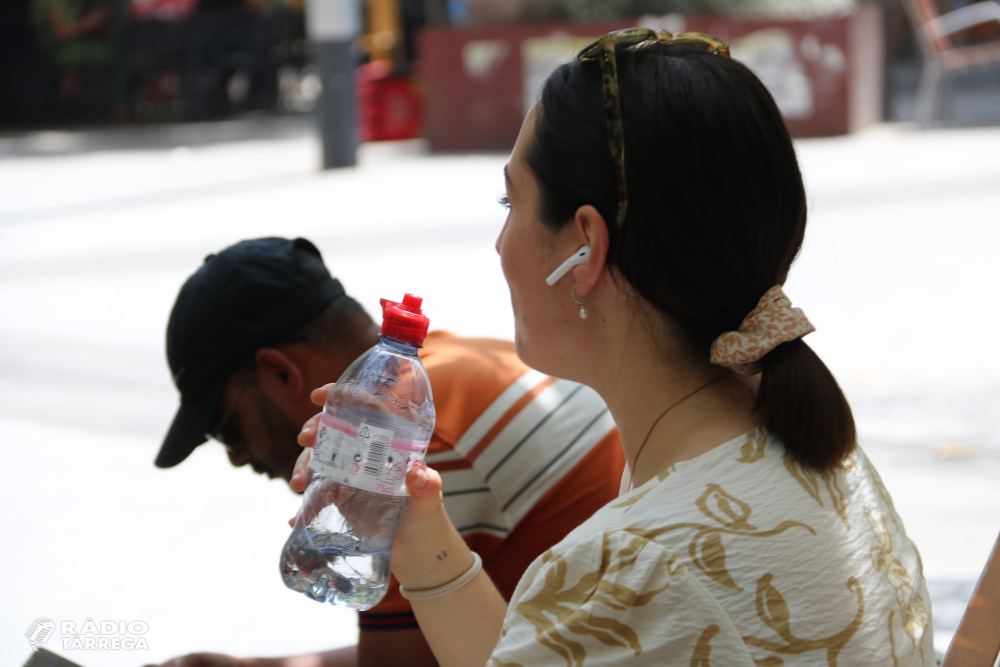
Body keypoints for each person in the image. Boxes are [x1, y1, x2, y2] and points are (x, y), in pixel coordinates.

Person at [290, 29, 934, 666]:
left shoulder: (633, 564)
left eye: (510, 200)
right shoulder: (801, 445)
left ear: (585, 247)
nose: (498, 242)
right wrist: (421, 541)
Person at [152, 236, 624, 667]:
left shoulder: (403, 452)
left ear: (280, 373)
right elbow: (426, 648)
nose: (236, 457)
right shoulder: (440, 375)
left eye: (224, 428)